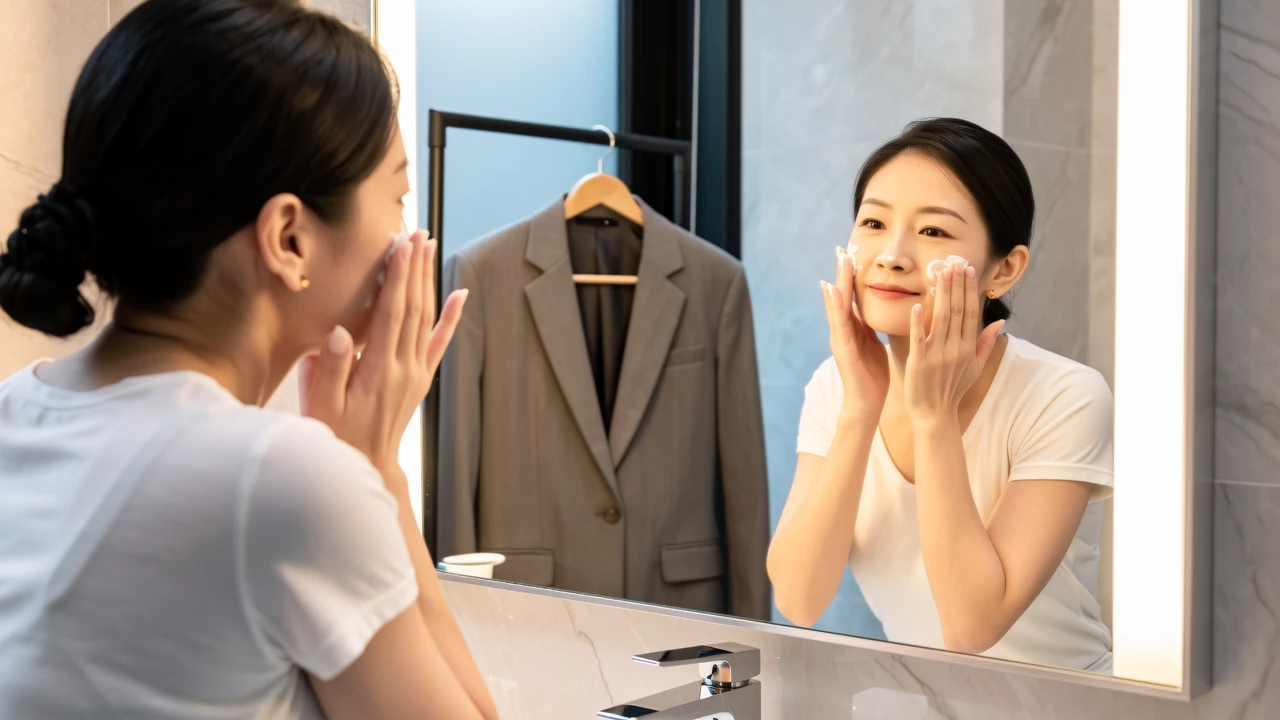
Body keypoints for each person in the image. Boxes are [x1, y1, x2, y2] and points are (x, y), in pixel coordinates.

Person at [0, 1, 498, 718]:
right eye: (396, 196)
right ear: (289, 239)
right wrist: (373, 465)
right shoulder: (283, 481)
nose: (407, 239)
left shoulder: (16, 409)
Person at [767, 118, 1114, 673]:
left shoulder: (1063, 396)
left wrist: (933, 420)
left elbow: (972, 626)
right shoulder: (835, 388)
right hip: (929, 701)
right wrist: (860, 409)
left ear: (1004, 269)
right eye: (874, 222)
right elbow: (798, 598)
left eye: (933, 232)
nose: (892, 255)